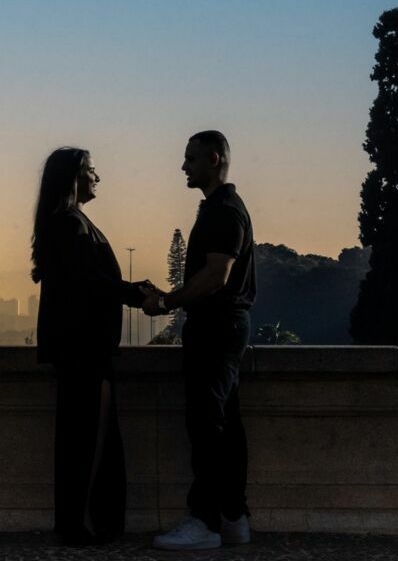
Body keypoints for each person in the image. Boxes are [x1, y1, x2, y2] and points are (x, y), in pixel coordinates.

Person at [32, 146, 159, 545]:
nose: (97, 177)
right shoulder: (71, 224)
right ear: (73, 178)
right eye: (90, 170)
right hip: (84, 349)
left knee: (85, 437)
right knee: (88, 440)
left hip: (81, 348)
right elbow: (89, 283)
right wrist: (138, 295)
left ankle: (81, 521)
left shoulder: (69, 222)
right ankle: (82, 523)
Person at [145, 130, 256, 551]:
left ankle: (205, 521)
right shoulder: (221, 208)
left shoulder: (224, 212)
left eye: (190, 159)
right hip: (224, 326)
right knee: (224, 423)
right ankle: (233, 517)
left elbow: (215, 276)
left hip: (217, 327)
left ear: (213, 159)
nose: (183, 166)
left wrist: (168, 301)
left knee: (205, 421)